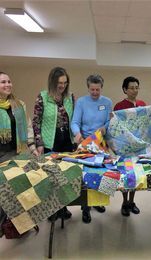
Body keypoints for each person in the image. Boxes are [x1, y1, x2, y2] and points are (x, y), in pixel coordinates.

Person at [32, 67, 75, 220]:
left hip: (67, 141)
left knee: (65, 175)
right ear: (52, 82)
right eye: (59, 83)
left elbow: (74, 119)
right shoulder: (43, 96)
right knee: (51, 176)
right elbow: (36, 121)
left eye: (64, 82)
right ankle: (51, 209)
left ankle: (63, 207)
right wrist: (39, 143)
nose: (62, 86)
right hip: (50, 141)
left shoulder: (70, 97)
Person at [0, 71, 38, 236]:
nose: (8, 84)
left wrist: (33, 147)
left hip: (18, 153)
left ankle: (20, 225)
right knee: (3, 193)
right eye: (3, 82)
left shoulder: (19, 104)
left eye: (9, 81)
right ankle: (2, 225)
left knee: (22, 191)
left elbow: (28, 128)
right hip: (1, 156)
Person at [71, 74, 112, 223]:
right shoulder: (81, 102)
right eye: (92, 89)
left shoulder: (107, 102)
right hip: (85, 143)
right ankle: (85, 208)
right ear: (88, 88)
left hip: (101, 143)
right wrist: (77, 133)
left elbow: (109, 121)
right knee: (87, 178)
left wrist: (104, 127)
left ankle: (98, 202)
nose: (95, 92)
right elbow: (75, 122)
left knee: (102, 175)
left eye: (97, 90)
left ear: (102, 88)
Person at [114, 76, 146, 217]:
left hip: (138, 146)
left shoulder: (142, 104)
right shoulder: (119, 106)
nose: (134, 90)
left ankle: (132, 202)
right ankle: (124, 202)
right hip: (124, 147)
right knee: (125, 175)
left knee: (136, 175)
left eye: (136, 87)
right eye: (131, 88)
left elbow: (146, 124)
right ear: (125, 90)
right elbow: (116, 128)